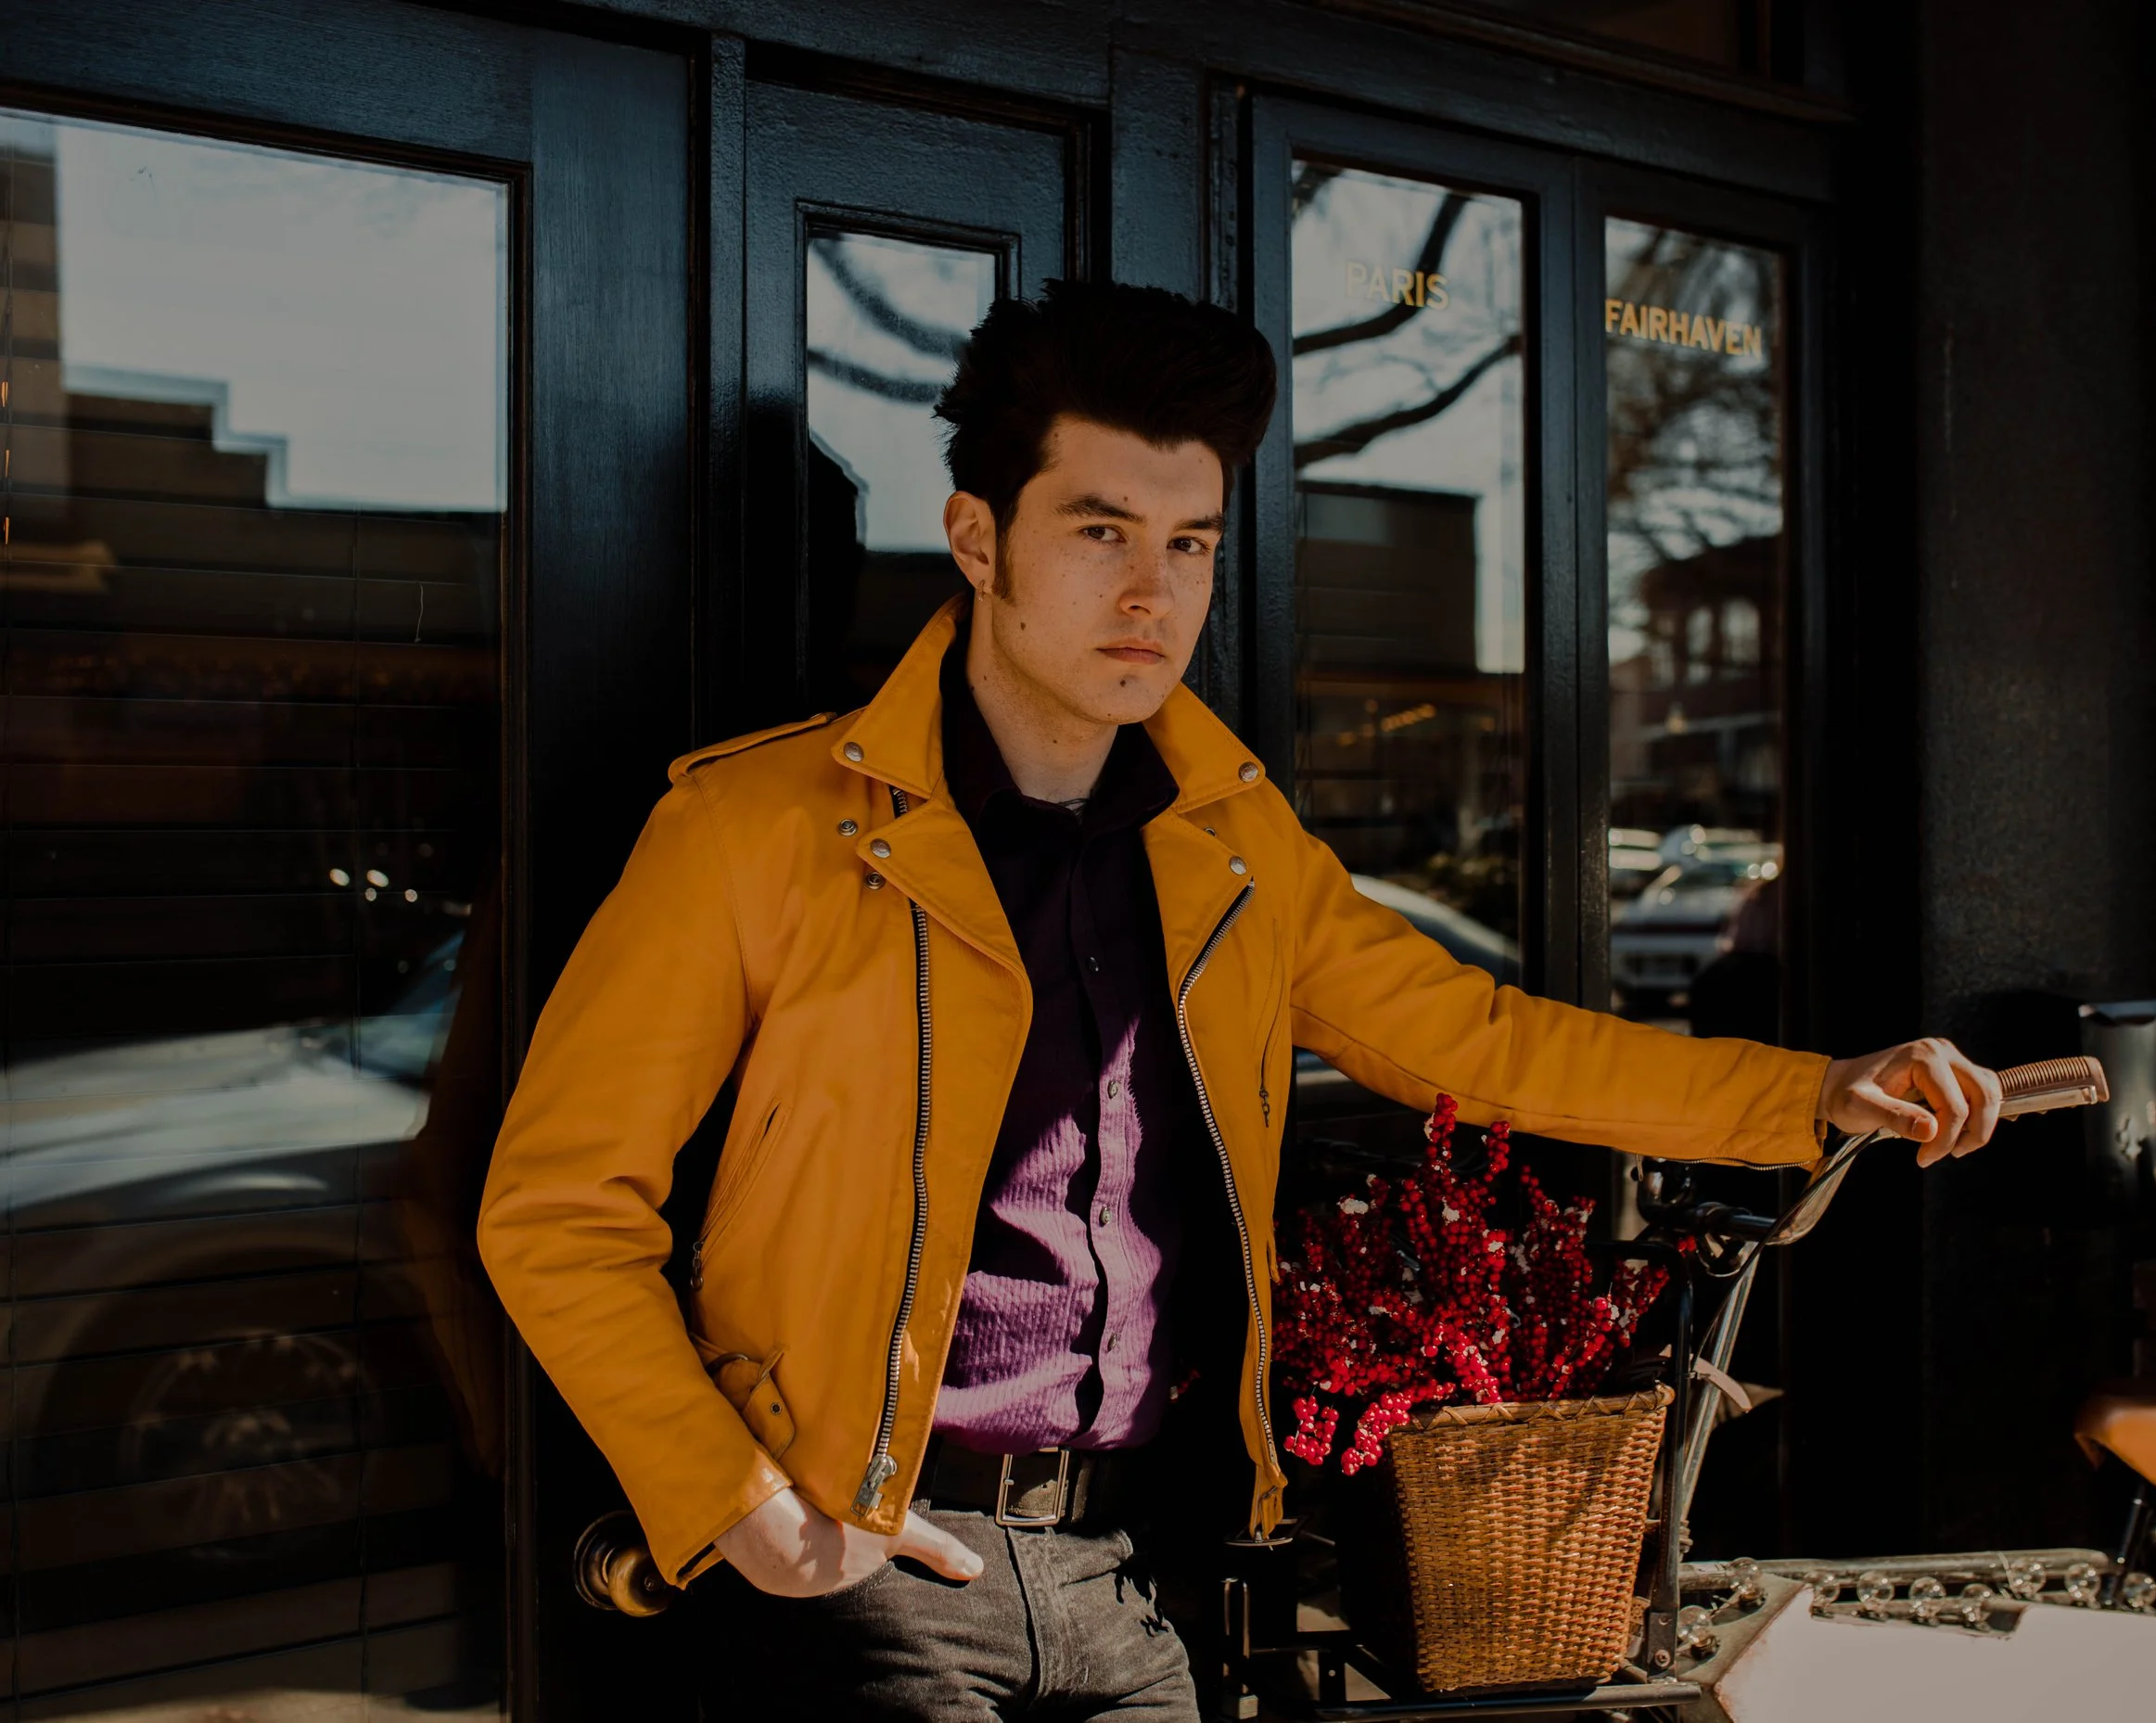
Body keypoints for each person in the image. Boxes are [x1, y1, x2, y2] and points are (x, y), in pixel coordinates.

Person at [477, 280, 2001, 1720]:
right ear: (976, 536)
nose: (1154, 591)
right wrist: (737, 1507)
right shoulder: (762, 828)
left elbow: (1471, 1038)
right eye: (1100, 530)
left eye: (1193, 543)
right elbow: (558, 1205)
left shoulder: (1231, 838)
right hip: (877, 1572)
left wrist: (1807, 1092)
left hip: (1144, 1577)